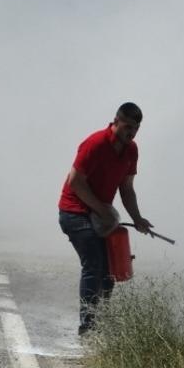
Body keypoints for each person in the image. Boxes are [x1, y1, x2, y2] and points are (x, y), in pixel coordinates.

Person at [58, 102, 153, 334]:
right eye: (127, 126)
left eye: (136, 128)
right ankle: (88, 329)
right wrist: (102, 210)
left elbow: (127, 189)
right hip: (74, 212)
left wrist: (138, 218)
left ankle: (103, 321)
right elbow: (75, 182)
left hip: (101, 215)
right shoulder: (95, 144)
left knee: (111, 267)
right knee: (95, 265)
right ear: (116, 121)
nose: (131, 132)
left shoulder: (131, 150)